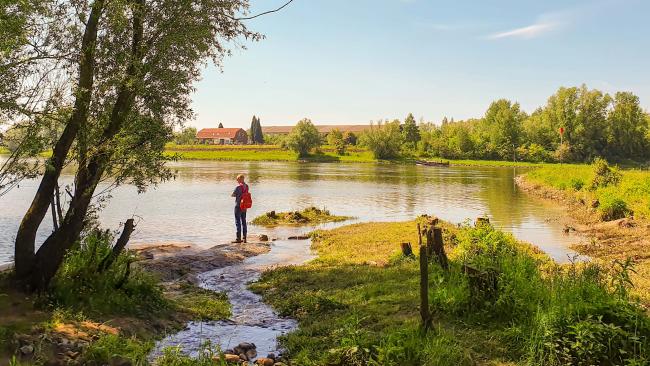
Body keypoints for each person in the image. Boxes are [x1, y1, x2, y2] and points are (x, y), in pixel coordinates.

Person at [231, 174, 249, 243]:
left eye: (237, 179)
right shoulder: (247, 186)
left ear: (240, 179)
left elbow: (233, 194)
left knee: (237, 222)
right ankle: (244, 238)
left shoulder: (238, 187)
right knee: (244, 221)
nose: (237, 180)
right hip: (244, 206)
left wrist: (236, 195)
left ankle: (238, 239)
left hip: (238, 206)